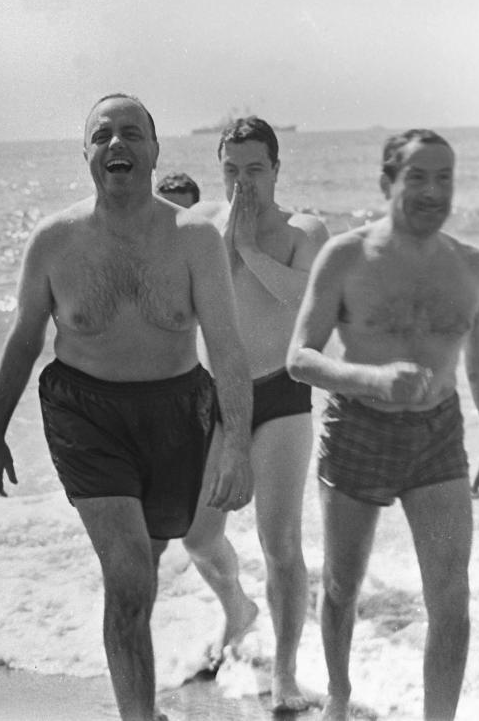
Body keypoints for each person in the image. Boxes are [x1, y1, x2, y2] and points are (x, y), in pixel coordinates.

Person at [0, 93, 254, 721]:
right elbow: (24, 340)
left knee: (149, 563)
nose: (117, 145)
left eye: (132, 134)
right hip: (86, 413)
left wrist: (236, 441)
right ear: (86, 154)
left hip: (178, 411)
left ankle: (141, 694)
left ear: (155, 152)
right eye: (102, 136)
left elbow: (229, 348)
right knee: (129, 574)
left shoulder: (195, 239)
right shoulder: (54, 241)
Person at [287, 129, 479, 721]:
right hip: (359, 428)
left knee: (452, 600)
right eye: (418, 177)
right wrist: (373, 380)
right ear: (388, 183)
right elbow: (299, 358)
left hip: (438, 436)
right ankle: (338, 697)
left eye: (445, 178)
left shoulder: (469, 264)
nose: (434, 191)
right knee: (341, 586)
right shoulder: (346, 257)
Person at [181, 116, 329, 710]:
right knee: (195, 535)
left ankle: (287, 673)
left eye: (255, 170)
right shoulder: (199, 227)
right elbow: (185, 295)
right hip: (216, 395)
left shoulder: (303, 228)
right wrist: (225, 239)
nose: (243, 184)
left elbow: (308, 298)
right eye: (231, 171)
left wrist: (247, 247)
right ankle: (237, 610)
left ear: (276, 169)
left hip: (281, 395)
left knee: (280, 543)